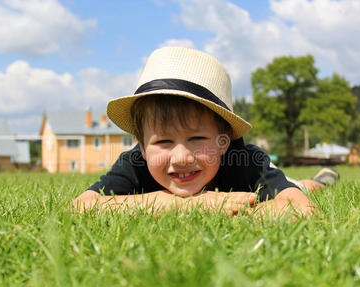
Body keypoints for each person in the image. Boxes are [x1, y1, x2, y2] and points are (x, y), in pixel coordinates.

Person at [72, 47, 338, 217]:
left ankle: (321, 180)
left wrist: (237, 210)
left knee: (301, 187)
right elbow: (81, 207)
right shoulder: (135, 163)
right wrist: (187, 204)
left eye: (197, 139)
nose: (181, 157)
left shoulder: (246, 159)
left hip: (276, 182)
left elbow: (301, 208)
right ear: (141, 146)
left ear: (223, 140)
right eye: (163, 141)